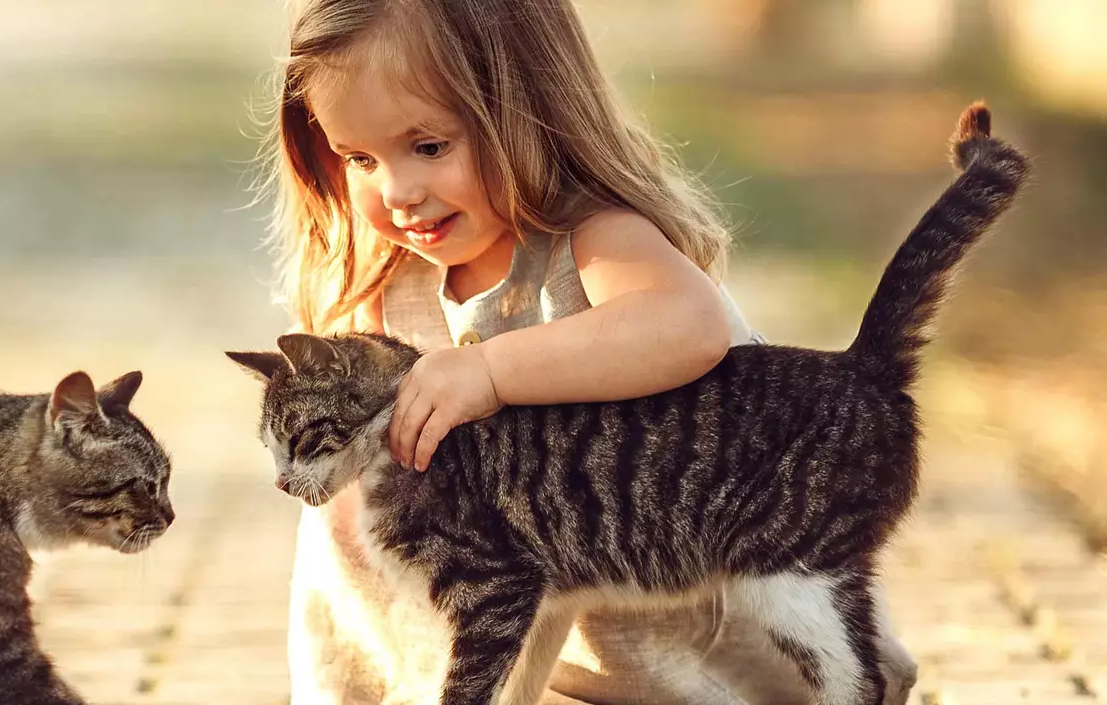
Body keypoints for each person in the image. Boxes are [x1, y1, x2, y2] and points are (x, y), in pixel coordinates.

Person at [256, 0, 918, 702]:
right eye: (359, 157)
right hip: (550, 657)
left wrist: (490, 371)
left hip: (710, 641)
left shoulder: (593, 240)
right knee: (344, 491)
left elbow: (688, 324)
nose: (396, 192)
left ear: (527, 113)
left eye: (428, 147)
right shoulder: (396, 287)